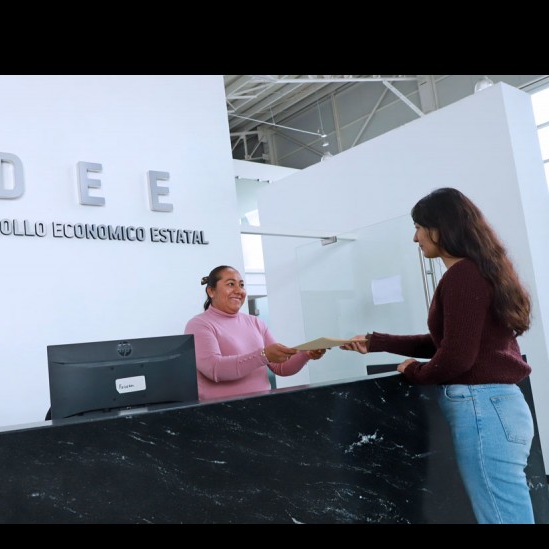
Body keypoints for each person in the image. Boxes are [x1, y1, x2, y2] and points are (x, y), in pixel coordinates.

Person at [340, 187, 535, 524]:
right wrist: (377, 342)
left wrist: (414, 372)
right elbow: (448, 342)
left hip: (484, 410)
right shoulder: (480, 271)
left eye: (418, 227)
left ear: (440, 228)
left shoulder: (463, 276)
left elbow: (456, 357)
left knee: (502, 517)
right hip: (497, 407)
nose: (415, 238)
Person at [184, 265, 326, 402]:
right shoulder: (199, 325)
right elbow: (215, 369)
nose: (239, 290)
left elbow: (280, 367)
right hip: (222, 411)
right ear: (211, 291)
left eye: (241, 285)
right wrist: (263, 355)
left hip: (262, 407)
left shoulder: (256, 322)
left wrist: (305, 354)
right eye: (231, 284)